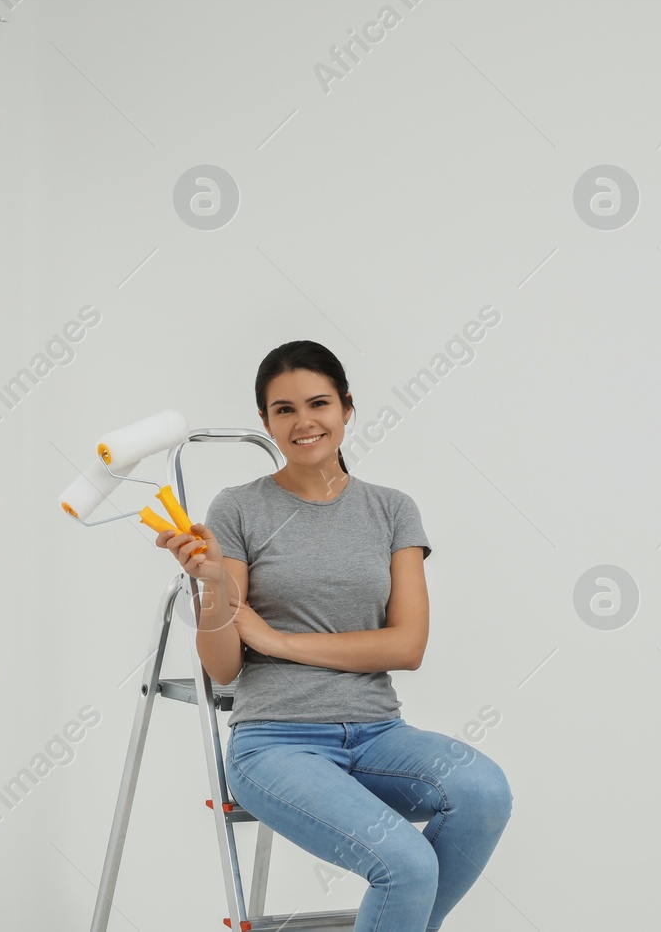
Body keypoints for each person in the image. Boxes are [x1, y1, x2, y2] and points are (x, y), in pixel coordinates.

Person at [154, 340, 512, 932]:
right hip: (276, 743)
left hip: (379, 733)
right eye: (284, 410)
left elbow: (407, 646)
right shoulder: (239, 509)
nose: (303, 422)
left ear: (347, 408)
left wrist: (280, 642)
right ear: (266, 423)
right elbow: (223, 668)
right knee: (406, 864)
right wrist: (213, 583)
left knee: (485, 792)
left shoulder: (392, 510)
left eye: (318, 403)